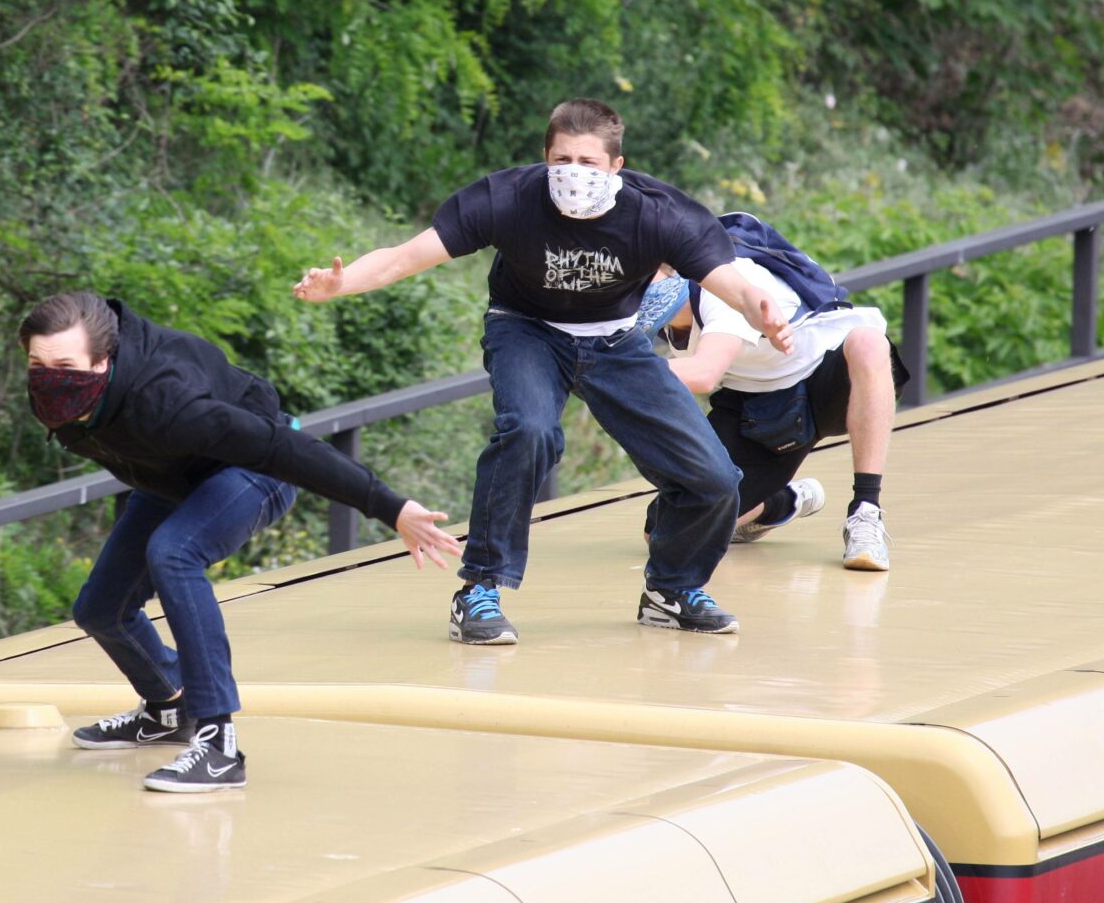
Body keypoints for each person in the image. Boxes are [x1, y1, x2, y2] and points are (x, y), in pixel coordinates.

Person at [293, 99, 792, 644]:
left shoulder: (656, 212)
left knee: (715, 479)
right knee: (529, 431)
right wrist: (341, 284)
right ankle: (480, 589)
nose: (574, 174)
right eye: (562, 160)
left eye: (588, 163)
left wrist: (757, 307)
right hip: (526, 329)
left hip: (614, 340)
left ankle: (671, 589)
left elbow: (728, 279)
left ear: (616, 168)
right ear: (544, 158)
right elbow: (404, 257)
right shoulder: (508, 198)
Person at [21, 290, 463, 792]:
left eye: (65, 365)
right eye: (38, 364)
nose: (49, 378)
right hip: (171, 476)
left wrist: (392, 508)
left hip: (255, 467)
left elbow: (280, 447)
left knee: (175, 552)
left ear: (104, 361)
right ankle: (168, 709)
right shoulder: (59, 395)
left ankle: (218, 746)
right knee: (100, 609)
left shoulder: (169, 402)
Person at [649, 227, 906, 571]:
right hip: (760, 406)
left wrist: (612, 372)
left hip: (829, 375)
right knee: (663, 532)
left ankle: (866, 512)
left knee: (869, 342)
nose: (628, 287)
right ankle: (781, 503)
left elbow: (704, 372)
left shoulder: (718, 287)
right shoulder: (650, 321)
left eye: (639, 275)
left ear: (673, 270)